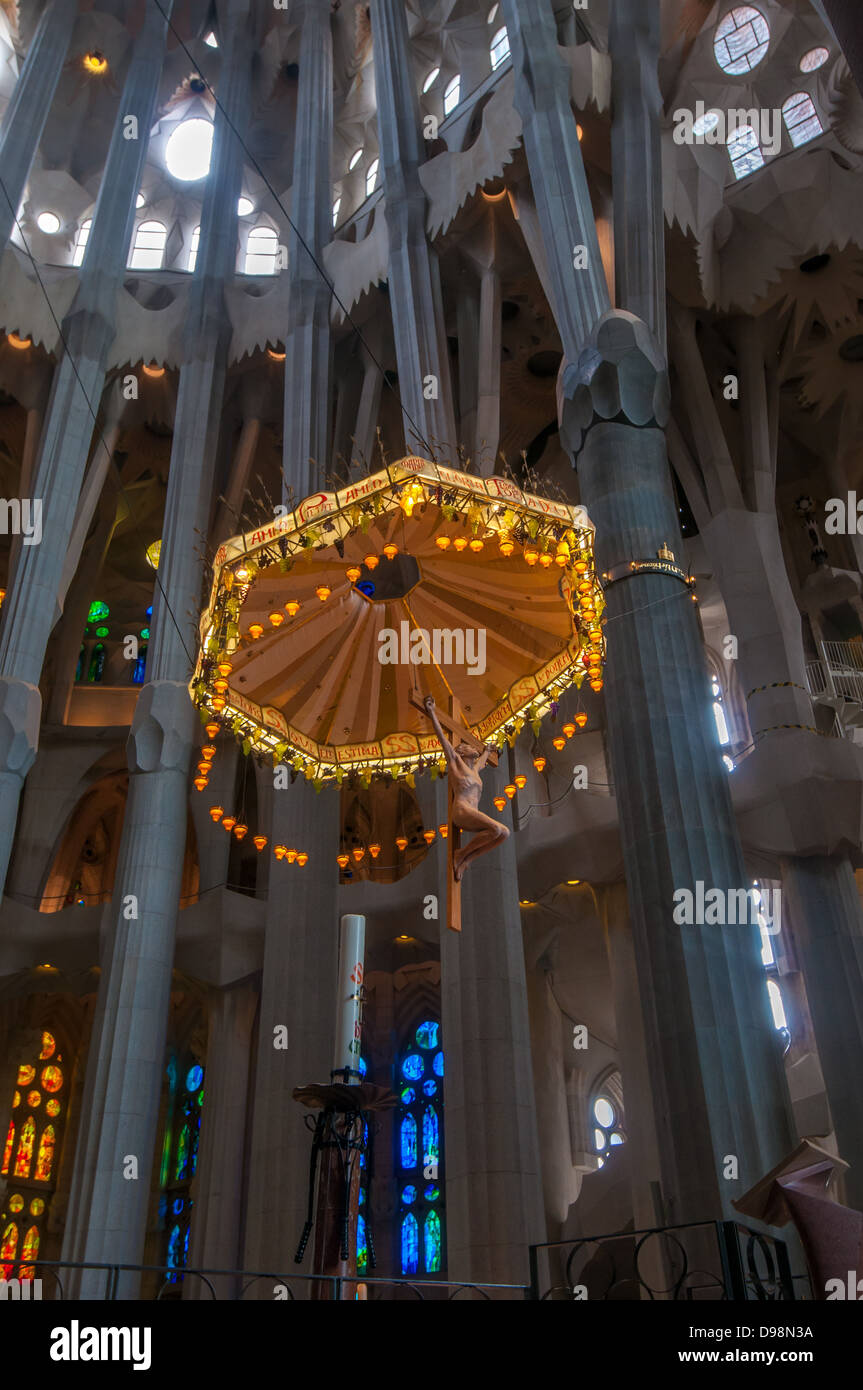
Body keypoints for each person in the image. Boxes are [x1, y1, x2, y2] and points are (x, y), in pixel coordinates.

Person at [423, 695, 509, 881]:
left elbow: (484, 758)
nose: (472, 747)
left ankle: (467, 858)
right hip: (462, 811)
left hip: (472, 813)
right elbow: (443, 740)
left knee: (504, 833)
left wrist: (488, 750)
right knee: (495, 830)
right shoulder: (455, 763)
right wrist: (431, 712)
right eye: (468, 746)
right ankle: (461, 854)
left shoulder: (475, 771)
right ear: (461, 751)